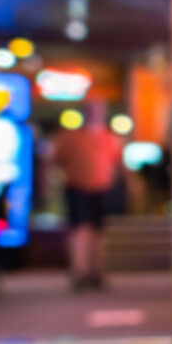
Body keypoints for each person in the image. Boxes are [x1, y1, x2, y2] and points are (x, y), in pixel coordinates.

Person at [50, 102, 123, 290]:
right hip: (77, 187)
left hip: (102, 188)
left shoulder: (108, 136)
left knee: (98, 231)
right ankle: (80, 271)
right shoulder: (70, 136)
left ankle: (96, 270)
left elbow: (118, 162)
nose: (95, 114)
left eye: (98, 110)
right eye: (92, 110)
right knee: (81, 229)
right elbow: (54, 159)